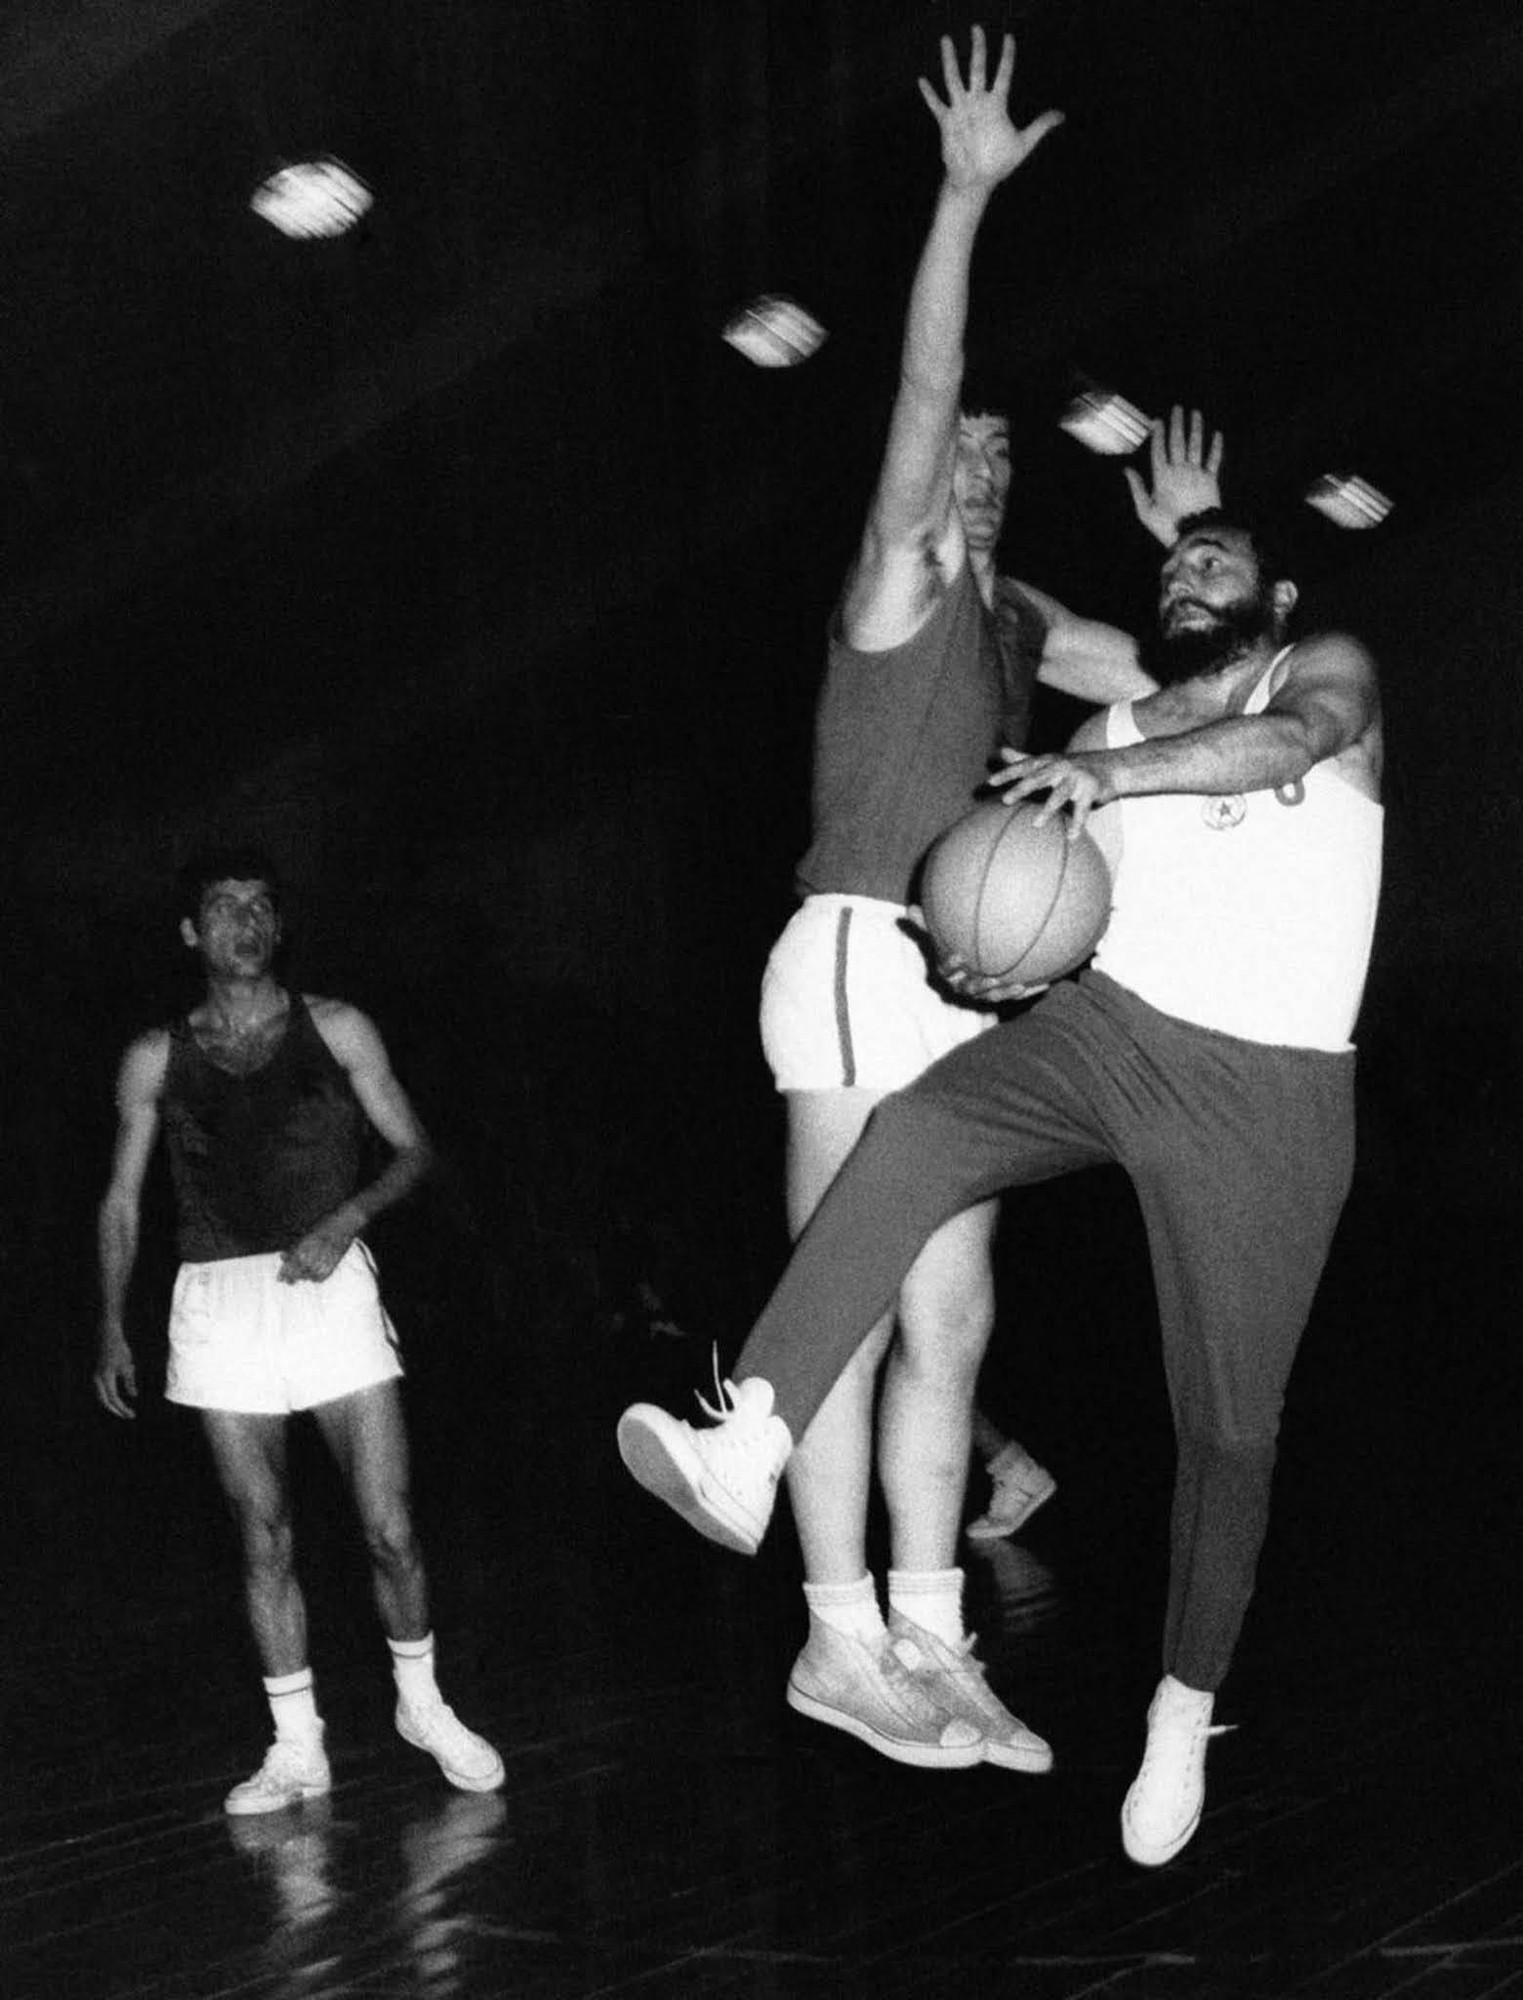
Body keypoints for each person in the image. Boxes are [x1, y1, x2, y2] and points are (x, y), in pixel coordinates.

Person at [618, 506, 1383, 1866]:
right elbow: (1065, 917)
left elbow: (1286, 744)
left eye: (1210, 559)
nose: (1181, 576)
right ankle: (749, 1441)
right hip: (1119, 1033)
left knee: (1227, 1430)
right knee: (913, 1128)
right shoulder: (1107, 732)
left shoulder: (1317, 670)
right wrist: (995, 964)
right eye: (1169, 565)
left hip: (1269, 1093)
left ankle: (1179, 1706)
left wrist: (1107, 773)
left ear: (1273, 594)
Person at [730, 28, 1218, 1776]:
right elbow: (923, 392)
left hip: (960, 982)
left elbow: (1189, 687)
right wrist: (958, 203)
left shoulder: (1020, 626)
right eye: (963, 460)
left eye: (1004, 464)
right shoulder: (899, 582)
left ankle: (932, 1637)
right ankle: (833, 1634)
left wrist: (1196, 538)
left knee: (954, 1318)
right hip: (859, 945)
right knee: (850, 1303)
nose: (978, 474)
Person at [94, 846, 504, 1815]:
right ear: (189, 931)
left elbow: (414, 1149)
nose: (242, 922)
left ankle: (422, 1704)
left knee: (390, 1528)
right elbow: (121, 1201)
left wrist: (345, 1219)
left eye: (258, 906)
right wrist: (109, 1322)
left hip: (329, 1286)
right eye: (221, 906)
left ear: (278, 927)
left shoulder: (338, 1026)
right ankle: (296, 1746)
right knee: (263, 1532)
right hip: (216, 1300)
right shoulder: (154, 1054)